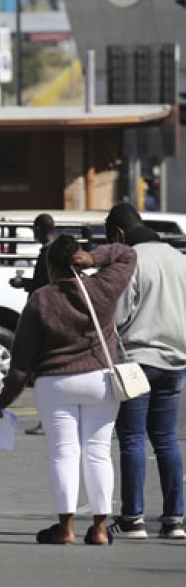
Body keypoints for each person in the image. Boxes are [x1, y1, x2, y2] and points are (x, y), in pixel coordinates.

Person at [0, 238, 136, 545]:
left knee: (63, 453)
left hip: (55, 383)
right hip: (100, 379)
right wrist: (95, 258)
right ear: (79, 259)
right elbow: (127, 255)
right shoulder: (102, 287)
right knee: (99, 453)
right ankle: (99, 529)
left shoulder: (41, 300)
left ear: (50, 266)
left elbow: (21, 364)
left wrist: (2, 401)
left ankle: (67, 529)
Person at [104, 204, 186, 540]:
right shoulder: (180, 258)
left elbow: (119, 315)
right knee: (166, 439)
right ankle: (175, 519)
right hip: (176, 362)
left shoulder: (131, 261)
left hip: (137, 360)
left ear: (119, 234)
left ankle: (133, 518)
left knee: (133, 438)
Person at [9, 213, 55, 436]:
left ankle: (46, 420)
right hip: (52, 315)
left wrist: (22, 283)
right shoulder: (55, 251)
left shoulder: (47, 253)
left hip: (42, 315)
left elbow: (40, 283)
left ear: (38, 229)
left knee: (41, 369)